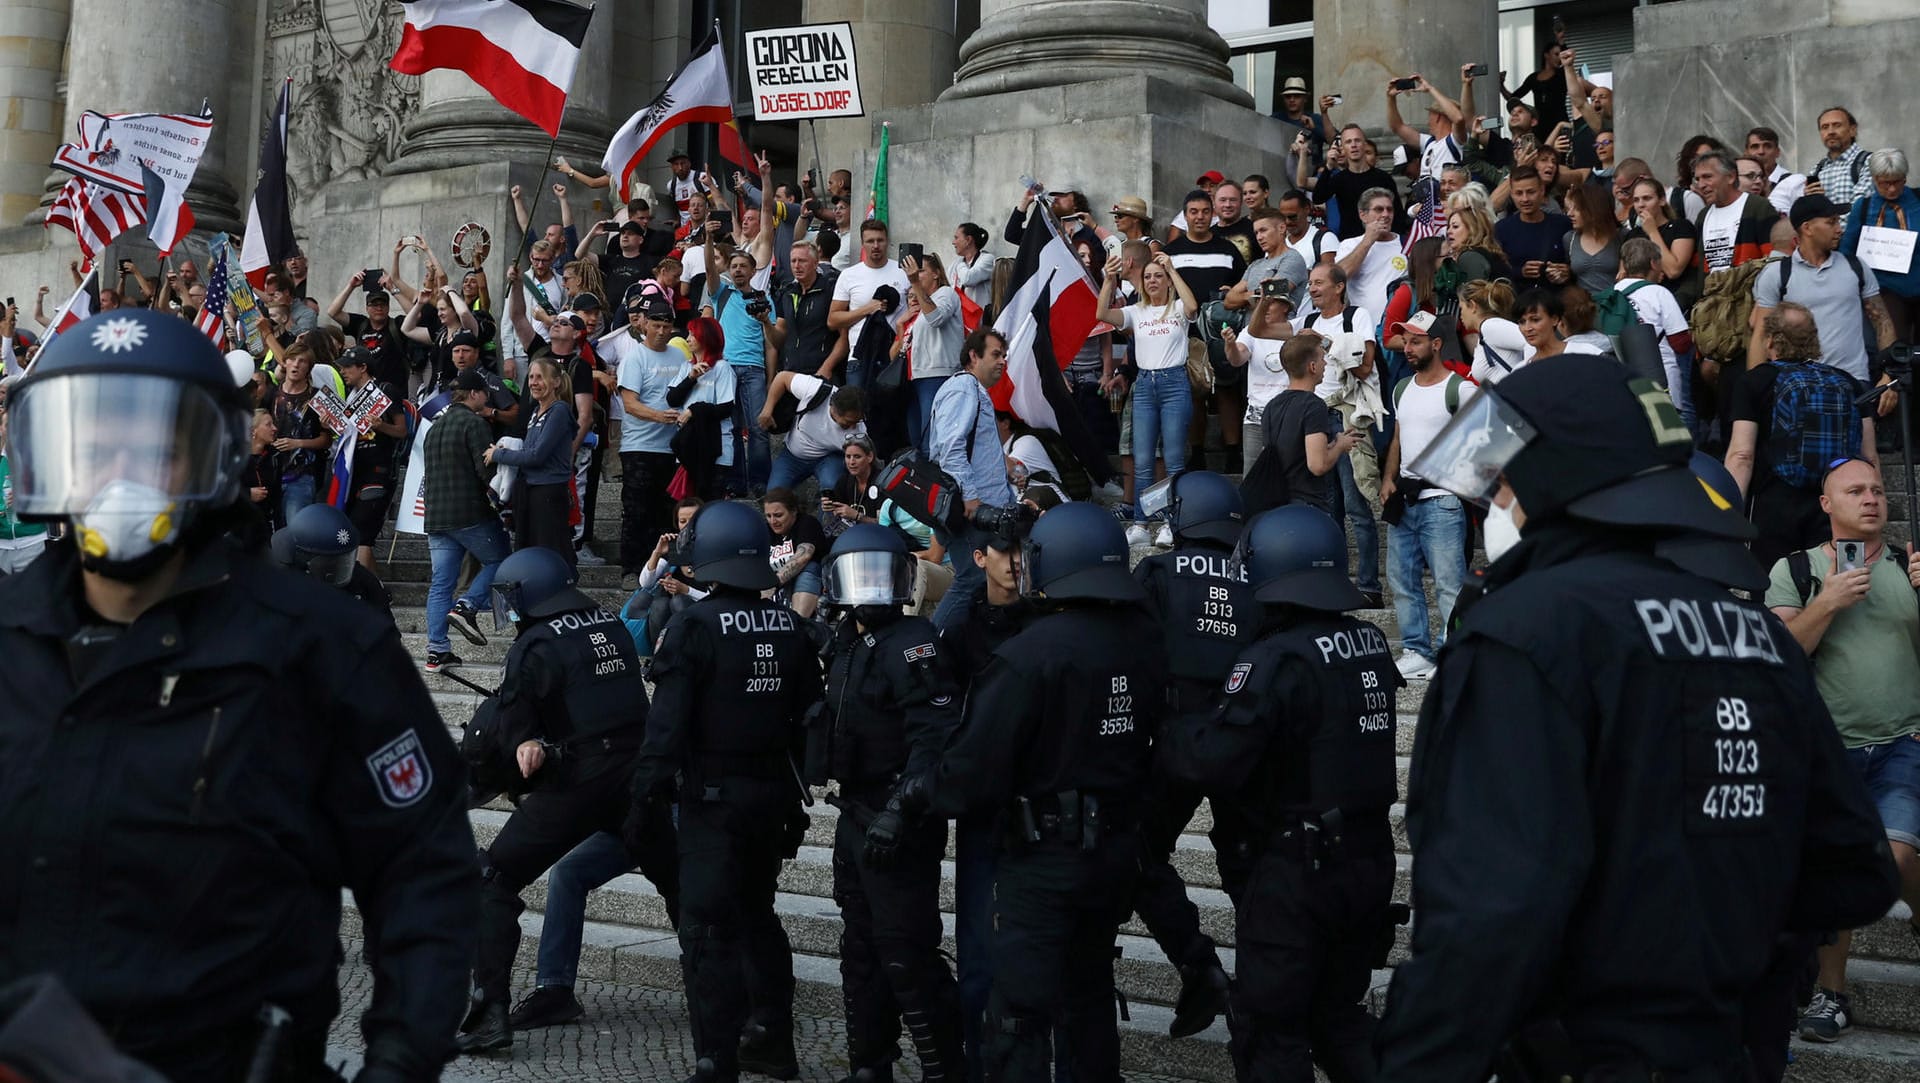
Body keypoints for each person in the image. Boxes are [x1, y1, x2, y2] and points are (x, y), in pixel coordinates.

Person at [1374, 353, 1898, 1081]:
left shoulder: (1529, 630)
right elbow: (1858, 871)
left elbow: (1486, 921)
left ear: (1556, 474)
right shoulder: (1758, 636)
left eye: (1504, 481)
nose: (1498, 501)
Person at [0, 308, 479, 1081]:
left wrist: (398, 1060)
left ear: (208, 457)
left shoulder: (317, 644)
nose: (119, 466)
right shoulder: (9, 633)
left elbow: (424, 866)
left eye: (153, 443)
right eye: (93, 443)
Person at [908, 501, 1168, 1081]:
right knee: (1089, 995)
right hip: (1112, 845)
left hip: (1036, 852)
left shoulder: (1029, 655)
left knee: (1020, 1010)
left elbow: (973, 767)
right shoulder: (1144, 640)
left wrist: (918, 795)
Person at [1163, 503, 1398, 1082]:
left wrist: (1168, 725)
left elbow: (1213, 760)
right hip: (1367, 860)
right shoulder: (1368, 641)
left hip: (1300, 871)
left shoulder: (1275, 659)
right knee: (1337, 1018)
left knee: (1270, 1033)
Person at [626, 501, 824, 1083]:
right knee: (759, 915)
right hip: (773, 793)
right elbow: (808, 713)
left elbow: (666, 727)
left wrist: (643, 799)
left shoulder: (693, 624)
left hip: (713, 798)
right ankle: (773, 1041)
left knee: (708, 927)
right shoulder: (788, 623)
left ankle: (717, 1058)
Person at [455, 546, 680, 1052]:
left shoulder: (535, 644)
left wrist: (516, 753)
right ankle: (735, 1001)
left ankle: (490, 1014)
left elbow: (510, 732)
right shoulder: (609, 624)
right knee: (682, 888)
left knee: (492, 879)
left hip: (580, 780)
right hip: (638, 779)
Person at [1759, 458, 1920, 1044]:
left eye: (1878, 489)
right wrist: (1826, 602)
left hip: (1902, 743)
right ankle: (1832, 994)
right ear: (1827, 505)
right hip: (1827, 750)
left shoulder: (1907, 564)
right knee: (1836, 868)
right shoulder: (1796, 569)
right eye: (1855, 490)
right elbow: (1779, 657)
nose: (1872, 498)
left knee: (1896, 856)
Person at [812, 524, 966, 1081]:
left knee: (906, 950)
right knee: (860, 949)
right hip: (854, 812)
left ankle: (945, 1066)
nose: (870, 588)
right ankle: (870, 1063)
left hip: (900, 816)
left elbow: (935, 736)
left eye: (881, 575)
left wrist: (902, 809)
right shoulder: (849, 641)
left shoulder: (914, 642)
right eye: (860, 575)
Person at [1126, 471, 1252, 1040]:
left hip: (1171, 737)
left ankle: (1198, 964)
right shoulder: (1259, 576)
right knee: (1252, 871)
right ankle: (1259, 989)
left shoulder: (1156, 571)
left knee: (1138, 856)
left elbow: (1128, 653)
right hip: (1243, 740)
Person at [1725, 302, 1880, 582]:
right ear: (1814, 341)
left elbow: (1741, 456)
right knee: (1849, 584)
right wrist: (1872, 507)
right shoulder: (1848, 383)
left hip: (1774, 508)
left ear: (1770, 339)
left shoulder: (1754, 382)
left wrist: (1726, 514)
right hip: (1841, 508)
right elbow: (1868, 458)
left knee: (1775, 592)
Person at [1378, 311, 1473, 681]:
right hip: (1405, 497)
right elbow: (1399, 439)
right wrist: (1388, 477)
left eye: (1416, 341)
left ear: (1436, 344)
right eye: (1405, 340)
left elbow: (1487, 435)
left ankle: (1454, 651)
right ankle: (1417, 650)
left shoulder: (1461, 388)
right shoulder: (1403, 388)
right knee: (1402, 580)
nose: (1407, 347)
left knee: (1450, 583)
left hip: (1444, 499)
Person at [1097, 251, 1198, 546]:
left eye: (1159, 276)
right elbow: (1102, 314)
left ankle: (1171, 522)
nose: (1153, 280)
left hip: (1174, 383)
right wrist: (1108, 277)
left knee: (1174, 459)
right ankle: (1141, 523)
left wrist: (1173, 268)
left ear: (1167, 281)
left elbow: (1192, 306)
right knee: (1142, 460)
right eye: (1148, 276)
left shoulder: (1178, 307)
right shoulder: (1136, 311)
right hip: (1144, 385)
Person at [1751, 194, 1896, 386]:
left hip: (1854, 382)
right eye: (1831, 222)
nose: (1839, 229)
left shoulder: (1856, 267)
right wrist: (1754, 389)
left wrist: (1889, 376)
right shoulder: (1777, 274)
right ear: (1807, 228)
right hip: (1799, 385)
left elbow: (1882, 322)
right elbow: (1761, 334)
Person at [422, 368, 514, 671]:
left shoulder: (434, 428)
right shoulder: (474, 424)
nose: (487, 399)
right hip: (469, 512)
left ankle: (437, 651)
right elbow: (485, 471)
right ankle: (467, 606)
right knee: (500, 560)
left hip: (436, 516)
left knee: (441, 584)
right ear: (474, 394)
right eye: (485, 394)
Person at [929, 328, 1018, 632]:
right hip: (971, 510)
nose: (1002, 362)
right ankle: (931, 648)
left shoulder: (974, 390)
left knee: (988, 582)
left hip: (985, 509)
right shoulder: (964, 387)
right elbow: (951, 448)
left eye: (1004, 356)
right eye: (995, 354)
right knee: (972, 579)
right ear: (973, 356)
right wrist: (970, 496)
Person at [488, 357, 578, 562]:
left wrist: (498, 454)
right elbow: (528, 450)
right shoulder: (536, 412)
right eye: (531, 377)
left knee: (550, 553)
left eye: (540, 377)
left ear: (556, 382)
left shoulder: (560, 411)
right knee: (527, 552)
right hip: (529, 490)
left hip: (548, 492)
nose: (534, 382)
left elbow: (537, 455)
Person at [1257, 335, 1359, 515]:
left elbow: (1291, 450)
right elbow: (1317, 465)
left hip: (1275, 504)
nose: (1325, 364)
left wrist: (1332, 444)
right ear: (1312, 367)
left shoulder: (1272, 406)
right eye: (1322, 359)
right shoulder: (1314, 405)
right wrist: (1340, 446)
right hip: (1307, 505)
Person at [335, 346, 410, 571]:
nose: (343, 372)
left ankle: (364, 591)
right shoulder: (350, 397)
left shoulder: (386, 390)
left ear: (363, 368)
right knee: (353, 533)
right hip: (353, 471)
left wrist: (381, 425)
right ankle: (375, 589)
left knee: (361, 534)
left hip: (378, 469)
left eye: (347, 367)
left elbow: (402, 430)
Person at [1841, 148, 1920, 343]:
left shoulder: (1917, 200)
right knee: (1895, 345)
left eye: (1897, 181)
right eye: (1885, 183)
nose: (1892, 189)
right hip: (1885, 290)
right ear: (1875, 179)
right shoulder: (1863, 207)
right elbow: (1847, 250)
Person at [270, 502, 393, 619]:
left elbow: (388, 630)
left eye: (344, 558)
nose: (341, 566)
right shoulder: (279, 584)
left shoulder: (363, 580)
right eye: (329, 562)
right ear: (303, 561)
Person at [829, 219, 913, 388]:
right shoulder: (849, 275)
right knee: (856, 412)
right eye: (870, 241)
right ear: (862, 244)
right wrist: (867, 309)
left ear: (887, 242)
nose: (875, 245)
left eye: (880, 240)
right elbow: (833, 320)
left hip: (896, 356)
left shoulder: (903, 272)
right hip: (859, 357)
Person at [760, 373, 869, 491]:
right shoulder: (815, 390)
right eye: (848, 422)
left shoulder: (859, 431)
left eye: (857, 421)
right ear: (833, 409)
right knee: (774, 494)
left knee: (832, 490)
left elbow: (865, 461)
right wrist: (767, 410)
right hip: (792, 455)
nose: (853, 426)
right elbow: (782, 378)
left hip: (827, 458)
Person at [1494, 166, 1572, 293]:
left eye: (1531, 192)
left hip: (1556, 303)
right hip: (1517, 304)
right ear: (1512, 194)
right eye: (1519, 193)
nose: (1525, 199)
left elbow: (1580, 264)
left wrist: (1566, 272)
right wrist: (1520, 272)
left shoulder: (1562, 224)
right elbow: (1496, 271)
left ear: (1542, 190)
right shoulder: (1501, 229)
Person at [1333, 188, 1407, 319]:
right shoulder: (1350, 244)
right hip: (1363, 326)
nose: (1386, 214)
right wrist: (1368, 241)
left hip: (1397, 327)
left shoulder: (1406, 243)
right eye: (1379, 209)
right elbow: (1339, 276)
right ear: (1363, 215)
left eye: (1389, 209)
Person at [763, 487, 826, 618]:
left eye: (778, 515)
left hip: (808, 585)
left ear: (793, 511)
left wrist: (773, 582)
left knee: (810, 567)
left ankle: (799, 623)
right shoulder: (766, 530)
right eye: (768, 516)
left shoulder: (807, 523)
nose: (773, 521)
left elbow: (804, 555)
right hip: (776, 590)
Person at [951, 222, 994, 308]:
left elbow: (968, 279)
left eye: (956, 238)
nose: (953, 242)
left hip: (979, 319)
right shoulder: (955, 264)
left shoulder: (987, 259)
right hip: (960, 319)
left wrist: (960, 264)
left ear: (968, 240)